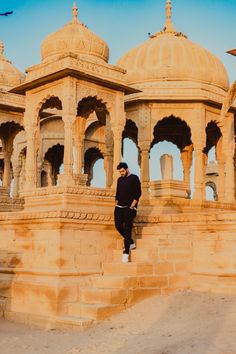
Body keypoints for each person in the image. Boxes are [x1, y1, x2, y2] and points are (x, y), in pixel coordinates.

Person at [114, 162, 141, 263]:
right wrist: (116, 203)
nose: (121, 173)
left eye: (122, 171)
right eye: (120, 172)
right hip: (119, 207)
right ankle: (130, 241)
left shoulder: (134, 178)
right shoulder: (120, 179)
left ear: (126, 169)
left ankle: (126, 253)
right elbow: (118, 192)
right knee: (117, 225)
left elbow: (138, 193)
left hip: (129, 208)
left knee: (127, 229)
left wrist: (132, 206)